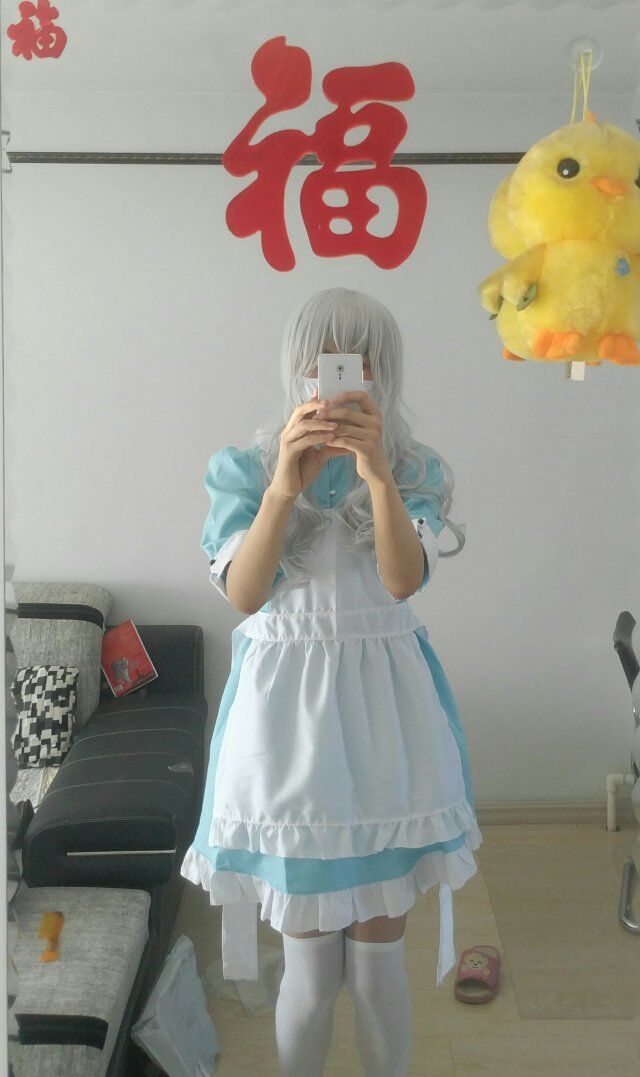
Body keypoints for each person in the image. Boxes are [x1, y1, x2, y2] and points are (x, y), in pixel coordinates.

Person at [180, 286, 482, 1076]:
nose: (344, 375)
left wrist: (378, 478)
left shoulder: (412, 469)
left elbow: (401, 581)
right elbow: (244, 594)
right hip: (287, 737)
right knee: (310, 971)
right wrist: (283, 485)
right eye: (326, 358)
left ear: (384, 369)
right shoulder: (246, 469)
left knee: (380, 969)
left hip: (386, 724)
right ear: (298, 366)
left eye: (362, 359)